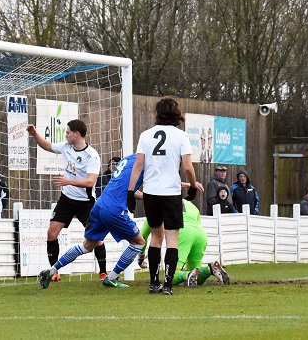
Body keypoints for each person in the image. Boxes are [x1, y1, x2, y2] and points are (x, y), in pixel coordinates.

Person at [39, 153, 145, 289]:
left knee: (87, 246)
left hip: (99, 205)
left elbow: (124, 187)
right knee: (138, 242)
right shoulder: (143, 163)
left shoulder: (127, 159)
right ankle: (112, 277)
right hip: (114, 209)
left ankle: (51, 271)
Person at [127, 96, 198, 295]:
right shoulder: (181, 136)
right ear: (177, 115)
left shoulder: (146, 135)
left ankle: (153, 282)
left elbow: (138, 165)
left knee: (156, 237)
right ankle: (167, 285)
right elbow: (187, 167)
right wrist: (192, 186)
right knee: (172, 239)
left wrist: (131, 191)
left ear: (158, 114)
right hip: (171, 193)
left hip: (151, 193)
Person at [26, 120, 108, 280]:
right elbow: (47, 146)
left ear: (76, 134)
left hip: (86, 202)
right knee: (51, 233)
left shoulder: (92, 155)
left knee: (95, 238)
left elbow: (91, 182)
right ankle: (54, 272)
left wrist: (68, 181)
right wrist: (34, 134)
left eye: (68, 132)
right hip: (67, 199)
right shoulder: (66, 147)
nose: (66, 135)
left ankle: (103, 272)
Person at [140, 198, 230, 288]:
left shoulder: (159, 202)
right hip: (200, 234)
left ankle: (187, 275)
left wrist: (141, 254)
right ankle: (209, 269)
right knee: (196, 275)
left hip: (183, 232)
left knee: (171, 276)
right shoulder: (191, 205)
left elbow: (143, 234)